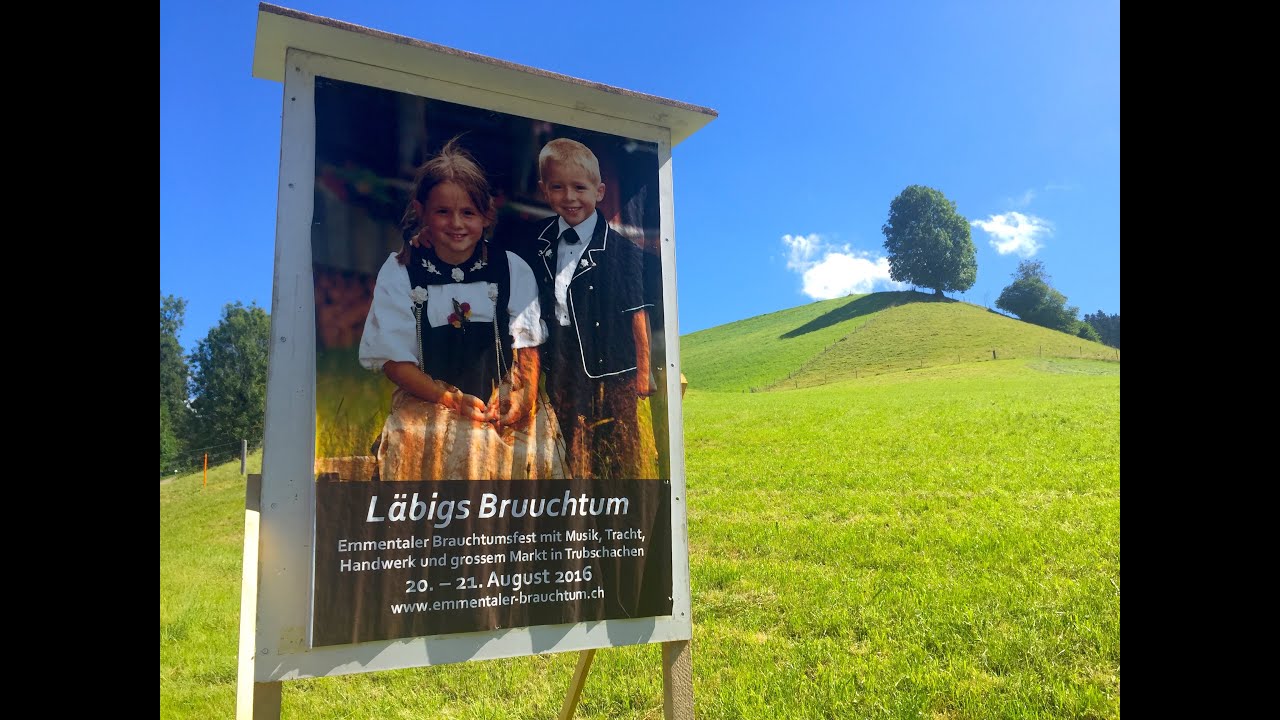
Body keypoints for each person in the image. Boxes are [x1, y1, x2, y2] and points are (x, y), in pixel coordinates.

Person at [359, 138, 564, 480]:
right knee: (445, 446)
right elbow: (395, 361)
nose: (456, 223)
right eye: (443, 212)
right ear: (421, 211)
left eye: (468, 212)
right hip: (430, 398)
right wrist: (450, 399)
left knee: (534, 455)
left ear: (486, 216)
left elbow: (527, 346)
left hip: (501, 395)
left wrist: (524, 397)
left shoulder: (512, 268)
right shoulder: (400, 270)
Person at [528, 138, 653, 480]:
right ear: (544, 191)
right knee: (569, 429)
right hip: (563, 352)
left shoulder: (622, 250)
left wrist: (643, 372)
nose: (569, 197)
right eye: (558, 187)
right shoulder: (537, 243)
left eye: (579, 188)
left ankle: (623, 494)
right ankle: (577, 492)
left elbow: (638, 313)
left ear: (599, 192)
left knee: (620, 434)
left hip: (614, 360)